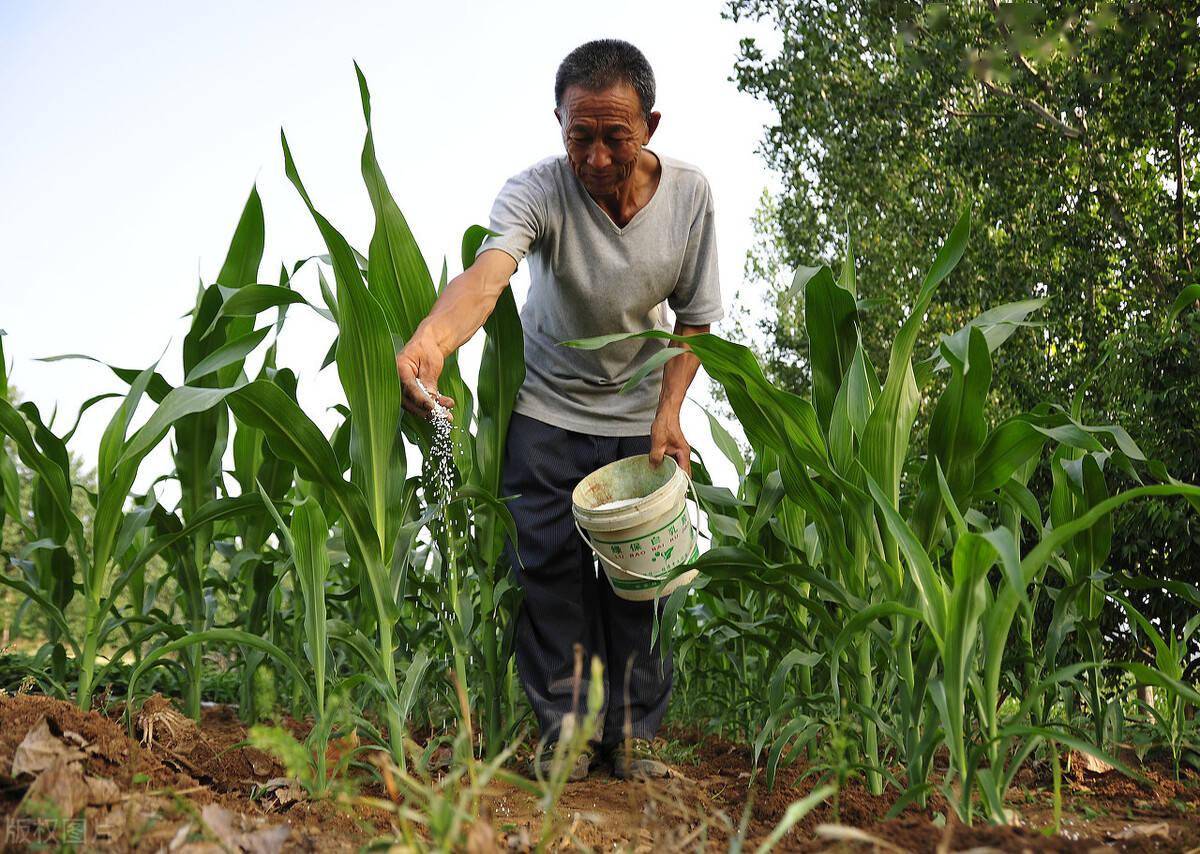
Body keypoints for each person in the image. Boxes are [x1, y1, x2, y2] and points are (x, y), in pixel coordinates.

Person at [395, 38, 722, 781]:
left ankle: (634, 737)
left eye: (617, 137)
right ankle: (567, 738)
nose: (597, 157)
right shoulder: (538, 190)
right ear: (558, 124)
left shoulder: (691, 197)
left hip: (641, 419)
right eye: (580, 136)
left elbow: (696, 319)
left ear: (652, 127)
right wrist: (432, 341)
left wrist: (670, 409)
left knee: (639, 578)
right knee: (549, 572)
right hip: (545, 412)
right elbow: (488, 275)